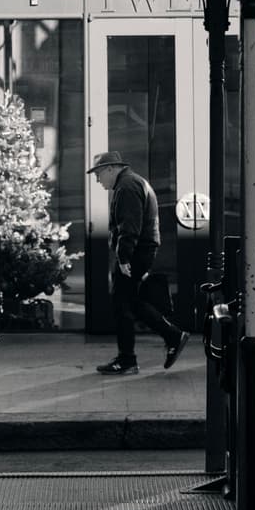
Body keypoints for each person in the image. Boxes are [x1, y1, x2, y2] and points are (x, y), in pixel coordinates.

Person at [87, 150, 190, 375]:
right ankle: (171, 336)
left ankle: (128, 359)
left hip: (136, 253)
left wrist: (123, 257)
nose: (97, 180)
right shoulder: (133, 182)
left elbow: (129, 227)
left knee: (121, 303)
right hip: (141, 251)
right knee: (130, 302)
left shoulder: (127, 187)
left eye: (98, 174)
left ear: (110, 169)